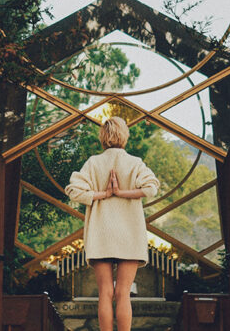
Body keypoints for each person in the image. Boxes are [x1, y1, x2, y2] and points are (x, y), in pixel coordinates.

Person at [65, 116, 160, 331]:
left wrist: (104, 194)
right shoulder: (135, 163)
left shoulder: (93, 163)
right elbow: (151, 188)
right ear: (125, 135)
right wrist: (122, 193)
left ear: (103, 137)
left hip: (101, 236)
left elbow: (73, 191)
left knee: (105, 294)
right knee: (123, 293)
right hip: (130, 235)